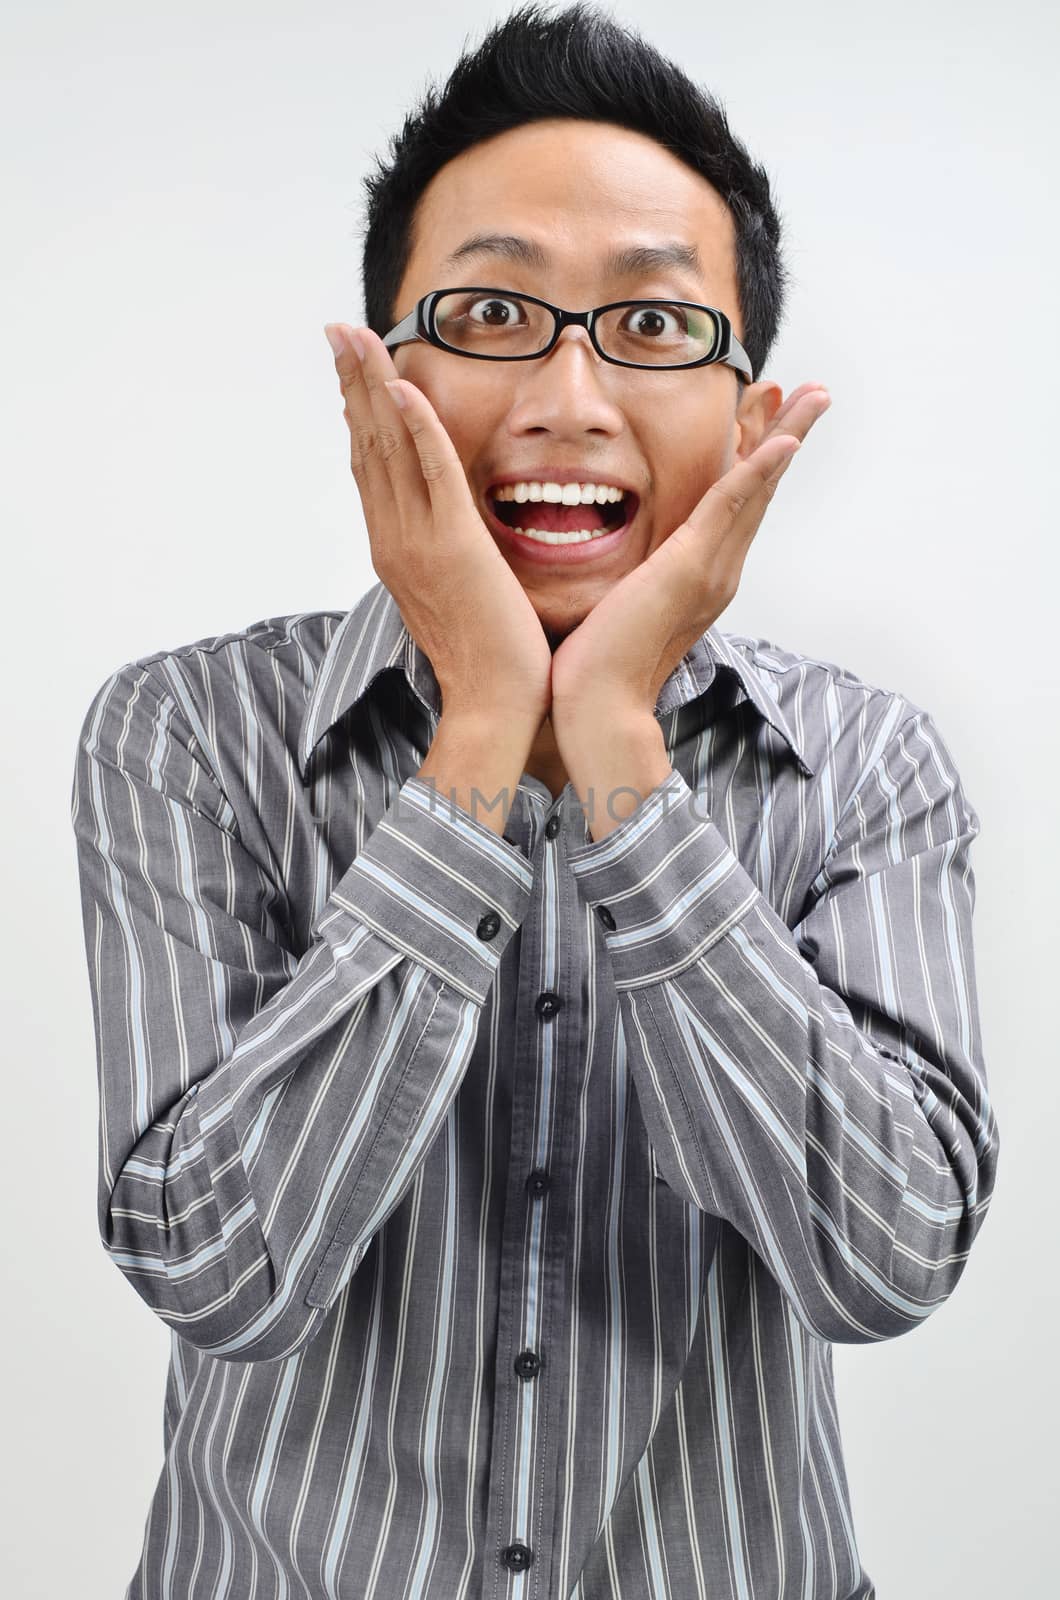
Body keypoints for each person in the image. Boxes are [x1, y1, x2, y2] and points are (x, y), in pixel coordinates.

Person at [70, 5, 1000, 1597]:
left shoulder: (868, 765)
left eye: (651, 329)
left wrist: (625, 755)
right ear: (383, 375)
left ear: (750, 410)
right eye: (494, 312)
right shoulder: (188, 732)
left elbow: (887, 1261)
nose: (569, 398)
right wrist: (485, 730)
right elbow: (215, 1271)